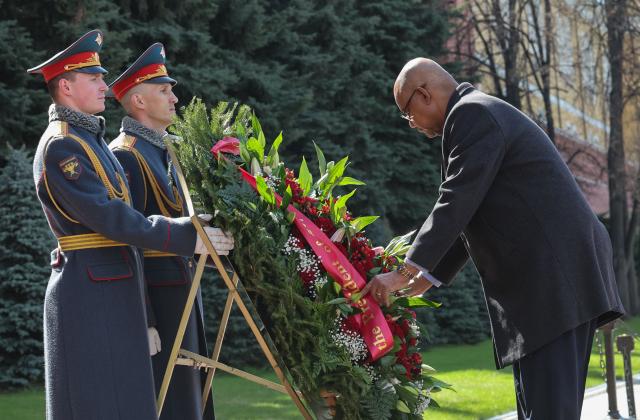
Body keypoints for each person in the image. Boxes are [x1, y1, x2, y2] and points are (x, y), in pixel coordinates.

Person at [362, 57, 624, 419]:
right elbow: (470, 208)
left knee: (549, 412)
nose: (411, 125)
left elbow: (456, 199)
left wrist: (406, 271)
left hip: (553, 280)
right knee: (539, 410)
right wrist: (426, 274)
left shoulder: (472, 115)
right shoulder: (474, 115)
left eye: (407, 114)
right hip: (547, 283)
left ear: (423, 95)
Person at [29, 30, 233, 419]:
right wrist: (187, 234)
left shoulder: (90, 140)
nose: (105, 85)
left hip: (112, 282)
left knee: (128, 403)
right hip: (92, 288)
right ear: (67, 87)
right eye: (94, 79)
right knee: (100, 402)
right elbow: (113, 218)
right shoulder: (63, 145)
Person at [108, 43, 214, 419]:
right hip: (158, 299)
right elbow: (126, 240)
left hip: (186, 290)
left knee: (195, 402)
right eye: (164, 90)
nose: (175, 97)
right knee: (171, 404)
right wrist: (145, 317)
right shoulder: (124, 154)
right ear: (137, 100)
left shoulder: (169, 150)